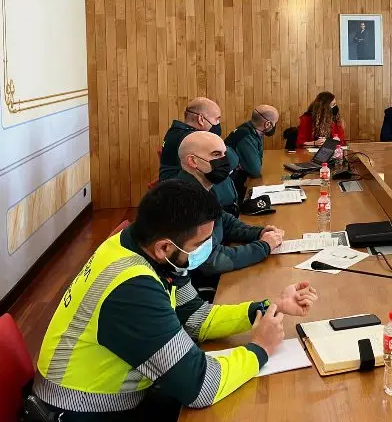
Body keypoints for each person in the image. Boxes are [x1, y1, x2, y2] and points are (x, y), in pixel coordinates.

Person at [31, 180, 318, 421]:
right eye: (199, 245)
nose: (207, 250)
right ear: (165, 247)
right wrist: (260, 349)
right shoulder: (133, 288)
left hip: (124, 396)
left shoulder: (144, 248)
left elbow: (194, 316)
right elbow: (201, 387)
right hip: (84, 412)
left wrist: (268, 308)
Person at [176, 131, 283, 289]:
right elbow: (211, 262)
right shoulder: (185, 201)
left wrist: (258, 233)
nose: (225, 161)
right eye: (216, 154)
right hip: (196, 286)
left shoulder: (202, 187)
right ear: (193, 161)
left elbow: (224, 221)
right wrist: (264, 246)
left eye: (225, 153)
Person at [158, 97, 222, 180]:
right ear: (201, 119)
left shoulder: (175, 131)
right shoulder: (193, 139)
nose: (218, 124)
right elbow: (226, 162)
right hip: (180, 188)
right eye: (216, 119)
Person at [224, 104, 279, 197]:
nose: (274, 126)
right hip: (231, 187)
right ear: (267, 124)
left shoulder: (251, 130)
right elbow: (255, 171)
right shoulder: (246, 136)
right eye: (274, 123)